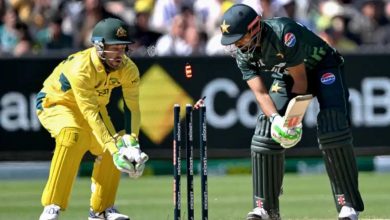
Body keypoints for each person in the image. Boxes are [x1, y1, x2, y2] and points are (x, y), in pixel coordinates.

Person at [219, 4, 364, 220]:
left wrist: (293, 120)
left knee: (331, 126)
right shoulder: (243, 55)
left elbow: (301, 80)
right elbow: (260, 93)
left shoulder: (283, 34)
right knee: (266, 132)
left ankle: (348, 205)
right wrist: (277, 119)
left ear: (254, 28)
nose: (237, 45)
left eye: (240, 38)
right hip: (286, 75)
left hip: (323, 67)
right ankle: (266, 209)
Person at [36, 17, 148, 220]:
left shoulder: (128, 68)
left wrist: (132, 144)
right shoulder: (82, 68)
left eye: (123, 48)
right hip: (56, 103)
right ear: (99, 46)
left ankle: (101, 210)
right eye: (113, 48)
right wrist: (116, 151)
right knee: (72, 135)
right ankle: (52, 205)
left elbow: (132, 107)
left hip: (94, 106)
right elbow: (89, 113)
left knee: (116, 145)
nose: (119, 54)